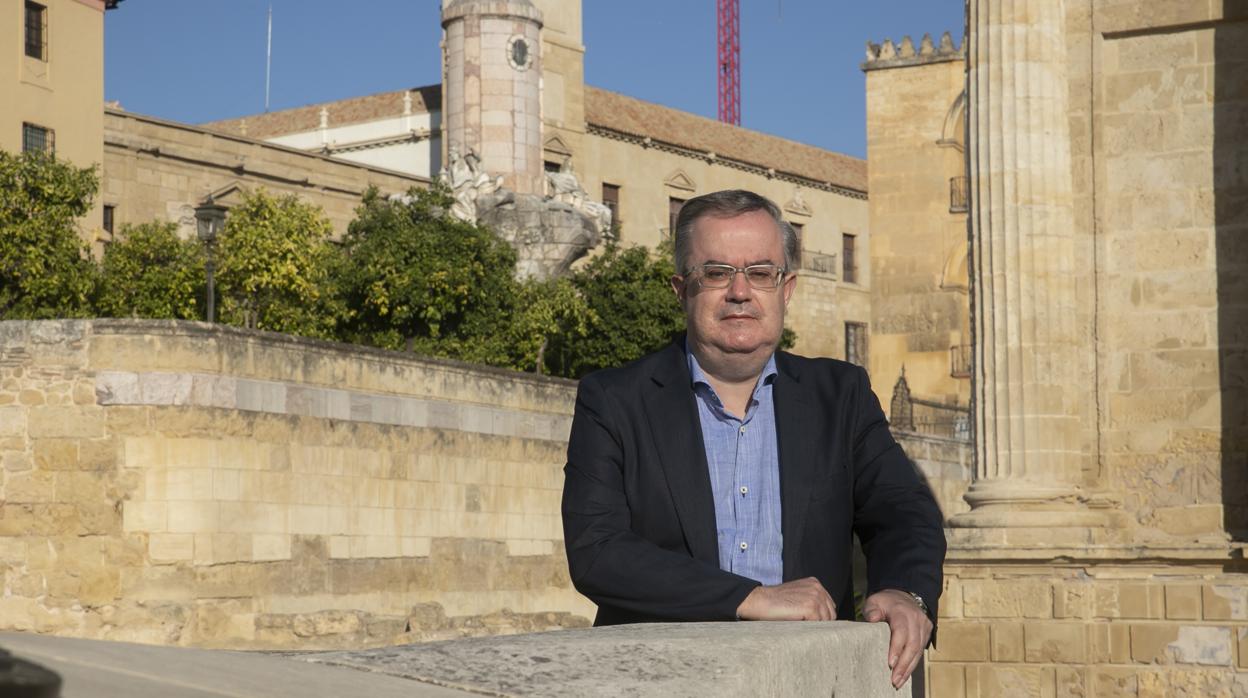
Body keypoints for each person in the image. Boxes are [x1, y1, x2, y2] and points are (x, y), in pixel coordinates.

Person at [561, 189, 946, 689]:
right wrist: (747, 597)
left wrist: (905, 592)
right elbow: (597, 551)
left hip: (809, 681)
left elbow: (904, 510)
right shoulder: (613, 400)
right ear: (681, 289)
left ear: (785, 290)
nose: (740, 292)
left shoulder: (841, 396)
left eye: (761, 273)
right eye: (717, 273)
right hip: (666, 682)